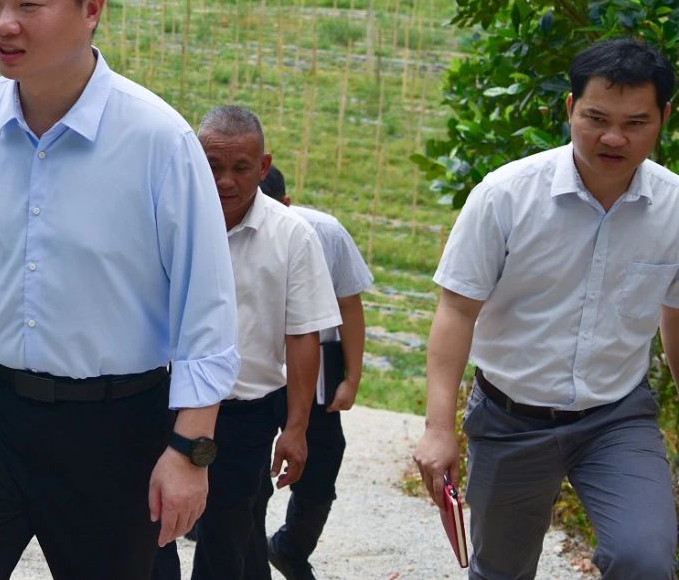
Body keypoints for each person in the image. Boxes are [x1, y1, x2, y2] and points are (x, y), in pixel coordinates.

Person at [0, 0, 240, 580]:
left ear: (93, 9)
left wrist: (189, 451)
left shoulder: (159, 142)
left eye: (29, 4)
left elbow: (206, 312)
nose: (3, 24)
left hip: (115, 428)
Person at [413, 38, 679, 579]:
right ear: (570, 108)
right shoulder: (505, 195)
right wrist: (439, 428)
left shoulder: (673, 207)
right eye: (596, 118)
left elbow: (675, 316)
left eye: (635, 123)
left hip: (616, 418)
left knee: (645, 559)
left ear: (664, 119)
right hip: (509, 418)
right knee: (502, 571)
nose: (613, 137)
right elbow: (456, 311)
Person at [155, 107, 340, 580]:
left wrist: (296, 427)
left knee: (228, 536)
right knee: (148, 528)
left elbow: (303, 334)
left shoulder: (292, 235)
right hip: (156, 401)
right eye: (213, 165)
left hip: (244, 416)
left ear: (263, 166)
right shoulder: (164, 216)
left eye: (240, 167)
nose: (225, 181)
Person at [259, 165, 372, 580]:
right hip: (250, 362)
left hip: (318, 363)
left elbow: (349, 306)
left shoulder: (325, 233)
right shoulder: (219, 225)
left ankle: (291, 547)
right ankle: (231, 538)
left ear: (286, 205)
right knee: (243, 459)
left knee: (322, 460)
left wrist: (352, 377)